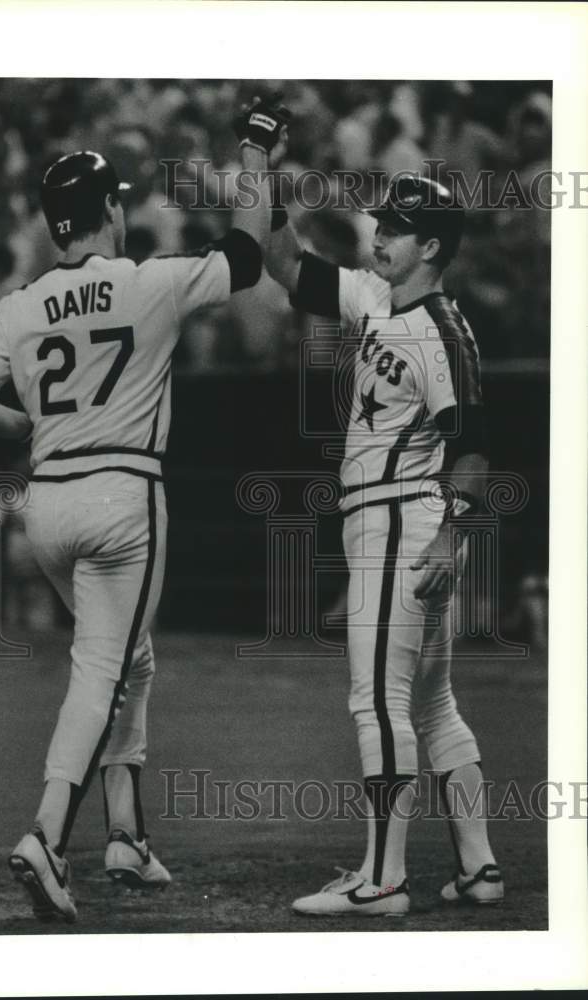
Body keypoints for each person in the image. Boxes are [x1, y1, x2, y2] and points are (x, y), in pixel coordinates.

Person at [0, 99, 289, 923]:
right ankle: (48, 833)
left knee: (127, 660)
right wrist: (255, 153)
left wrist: (24, 420)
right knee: (103, 669)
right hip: (124, 495)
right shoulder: (148, 279)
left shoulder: (20, 304)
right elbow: (247, 252)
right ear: (108, 212)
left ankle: (127, 837)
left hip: (47, 501)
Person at [266, 173, 503, 916]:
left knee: (377, 700)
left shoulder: (442, 327)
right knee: (433, 704)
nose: (381, 234)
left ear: (432, 246)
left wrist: (449, 535)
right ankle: (479, 870)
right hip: (394, 517)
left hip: (409, 518)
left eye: (399, 227)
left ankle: (382, 880)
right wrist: (262, 174)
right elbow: (286, 264)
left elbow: (478, 444)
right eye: (383, 222)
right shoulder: (372, 294)